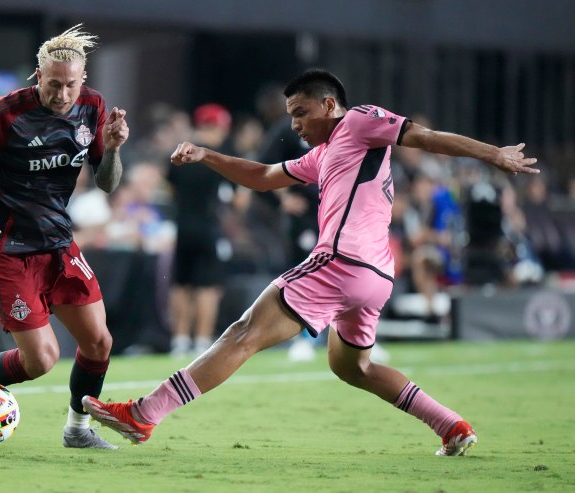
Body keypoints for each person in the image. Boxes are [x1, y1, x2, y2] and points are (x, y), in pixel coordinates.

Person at [82, 69, 539, 456]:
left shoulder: (360, 120)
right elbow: (262, 176)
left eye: (301, 113)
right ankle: (451, 425)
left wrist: (492, 154)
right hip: (375, 275)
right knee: (352, 367)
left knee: (243, 333)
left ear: (328, 105)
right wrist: (207, 155)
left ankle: (145, 414)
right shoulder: (324, 155)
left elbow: (423, 137)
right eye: (290, 116)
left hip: (342, 262)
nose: (295, 125)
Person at [0, 24, 129, 449]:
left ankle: (77, 430)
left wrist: (111, 149)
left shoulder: (92, 106)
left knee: (99, 341)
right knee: (40, 360)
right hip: (5, 246)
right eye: (53, 84)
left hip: (57, 242)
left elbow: (108, 184)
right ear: (38, 76)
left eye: (70, 85)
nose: (62, 94)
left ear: (83, 79)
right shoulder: (1, 113)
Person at [167, 103, 232, 358]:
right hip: (208, 228)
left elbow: (171, 190)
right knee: (208, 287)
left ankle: (179, 340)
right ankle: (202, 340)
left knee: (181, 284)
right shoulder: (217, 157)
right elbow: (235, 199)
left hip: (182, 227)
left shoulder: (179, 155)